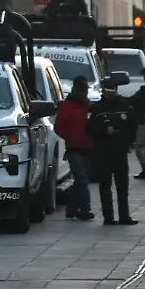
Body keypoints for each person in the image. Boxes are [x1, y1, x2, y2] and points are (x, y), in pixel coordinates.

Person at [87, 77, 138, 225]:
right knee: (105, 186)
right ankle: (108, 217)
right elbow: (89, 128)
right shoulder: (96, 109)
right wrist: (104, 130)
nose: (111, 95)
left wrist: (127, 141)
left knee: (122, 186)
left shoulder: (124, 106)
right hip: (102, 152)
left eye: (113, 92)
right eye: (108, 92)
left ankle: (124, 216)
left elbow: (132, 125)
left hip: (120, 151)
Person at [53, 76, 96, 221]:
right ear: (75, 90)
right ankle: (85, 209)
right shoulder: (67, 106)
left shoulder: (89, 107)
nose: (84, 94)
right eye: (81, 91)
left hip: (88, 148)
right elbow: (58, 127)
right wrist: (71, 137)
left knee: (80, 180)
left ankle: (71, 208)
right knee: (82, 180)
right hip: (74, 149)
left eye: (85, 91)